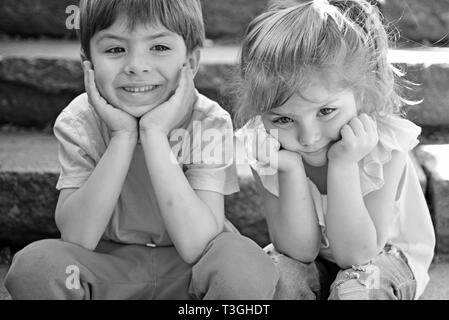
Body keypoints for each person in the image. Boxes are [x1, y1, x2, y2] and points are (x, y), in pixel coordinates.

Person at [4, 0, 278, 300]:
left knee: (247, 267)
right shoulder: (80, 121)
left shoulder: (208, 121)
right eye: (115, 49)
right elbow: (77, 237)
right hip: (106, 270)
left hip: (190, 274)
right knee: (35, 268)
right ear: (89, 64)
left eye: (159, 47)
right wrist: (122, 136)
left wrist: (154, 135)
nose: (136, 65)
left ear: (191, 62)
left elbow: (197, 244)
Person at [234, 0, 435, 300]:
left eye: (325, 111)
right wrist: (289, 170)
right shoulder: (268, 145)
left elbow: (357, 255)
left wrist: (343, 165)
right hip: (315, 259)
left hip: (383, 256)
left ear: (362, 93)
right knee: (273, 278)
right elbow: (298, 251)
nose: (308, 137)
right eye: (284, 119)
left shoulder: (385, 147)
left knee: (358, 288)